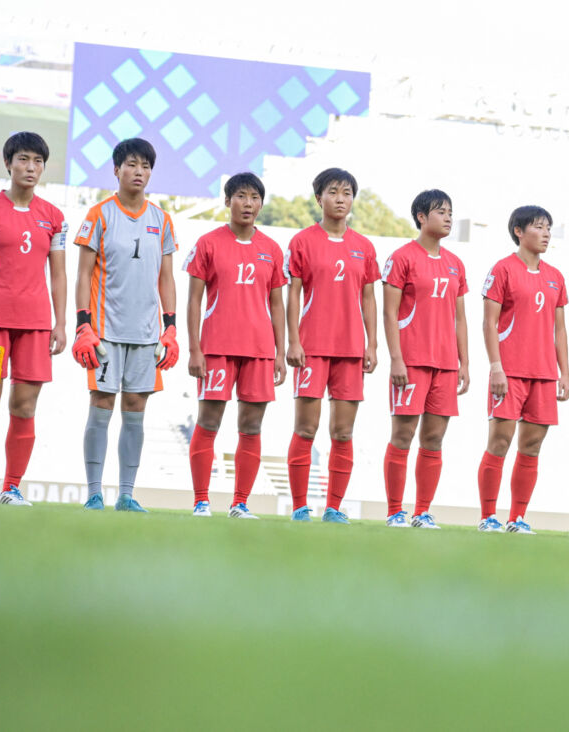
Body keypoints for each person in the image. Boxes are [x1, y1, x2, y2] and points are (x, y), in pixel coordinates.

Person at [72, 138, 179, 512]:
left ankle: (127, 495)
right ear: (116, 170)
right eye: (132, 165)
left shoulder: (161, 220)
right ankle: (94, 493)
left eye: (146, 166)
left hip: (147, 335)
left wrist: (171, 328)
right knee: (101, 403)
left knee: (136, 407)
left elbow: (166, 278)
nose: (139, 172)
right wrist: (82, 325)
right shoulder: (99, 214)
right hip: (105, 334)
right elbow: (84, 274)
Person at [0, 132, 67, 506]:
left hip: (36, 324)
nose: (31, 167)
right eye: (23, 159)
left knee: (24, 407)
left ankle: (12, 488)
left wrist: (61, 323)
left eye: (38, 161)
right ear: (8, 163)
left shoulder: (53, 216)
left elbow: (58, 275)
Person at [185, 173, 286, 519]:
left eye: (255, 197)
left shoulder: (271, 249)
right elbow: (194, 300)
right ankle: (201, 500)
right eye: (241, 196)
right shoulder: (208, 243)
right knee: (209, 420)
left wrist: (279, 352)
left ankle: (240, 503)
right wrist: (194, 348)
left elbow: (277, 304)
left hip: (259, 349)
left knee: (252, 425)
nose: (248, 203)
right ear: (227, 201)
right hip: (217, 346)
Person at [283, 168, 380, 523]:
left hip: (351, 350)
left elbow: (369, 298)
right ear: (319, 198)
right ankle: (299, 507)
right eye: (333, 192)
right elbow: (292, 293)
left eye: (347, 193)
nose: (341, 199)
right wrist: (293, 340)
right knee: (305, 429)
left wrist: (373, 345)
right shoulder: (302, 242)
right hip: (312, 347)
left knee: (343, 432)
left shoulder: (364, 247)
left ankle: (334, 508)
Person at [476, 205, 569, 534]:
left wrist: (565, 374)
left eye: (548, 228)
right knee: (500, 442)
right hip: (510, 371)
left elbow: (560, 330)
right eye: (539, 227)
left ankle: (517, 518)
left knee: (531, 447)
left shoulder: (556, 277)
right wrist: (496, 367)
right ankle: (488, 517)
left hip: (544, 375)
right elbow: (489, 323)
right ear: (519, 231)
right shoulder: (502, 270)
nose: (545, 233)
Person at [381, 189, 469, 529]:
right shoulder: (402, 257)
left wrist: (465, 362)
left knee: (434, 439)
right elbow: (390, 314)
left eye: (450, 212)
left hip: (445, 365)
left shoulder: (455, 264)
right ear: (421, 217)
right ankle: (394, 511)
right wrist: (396, 359)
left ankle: (422, 511)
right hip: (412, 361)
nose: (448, 218)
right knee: (402, 436)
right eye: (441, 212)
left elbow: (460, 318)